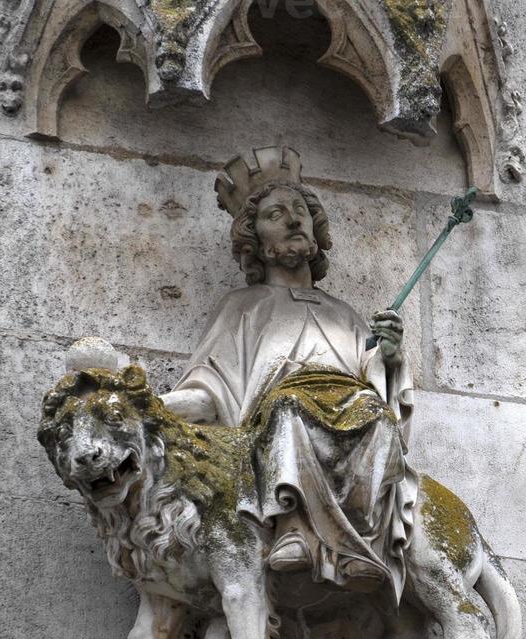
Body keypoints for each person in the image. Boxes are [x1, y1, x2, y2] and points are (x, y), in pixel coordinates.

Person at [161, 145, 417, 601]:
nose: (294, 220)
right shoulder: (242, 308)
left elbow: (375, 373)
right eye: (276, 214)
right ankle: (293, 529)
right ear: (254, 238)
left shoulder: (344, 314)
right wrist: (152, 408)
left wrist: (391, 357)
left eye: (300, 211)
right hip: (281, 418)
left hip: (349, 414)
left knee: (376, 414)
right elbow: (210, 388)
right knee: (288, 406)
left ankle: (358, 531)